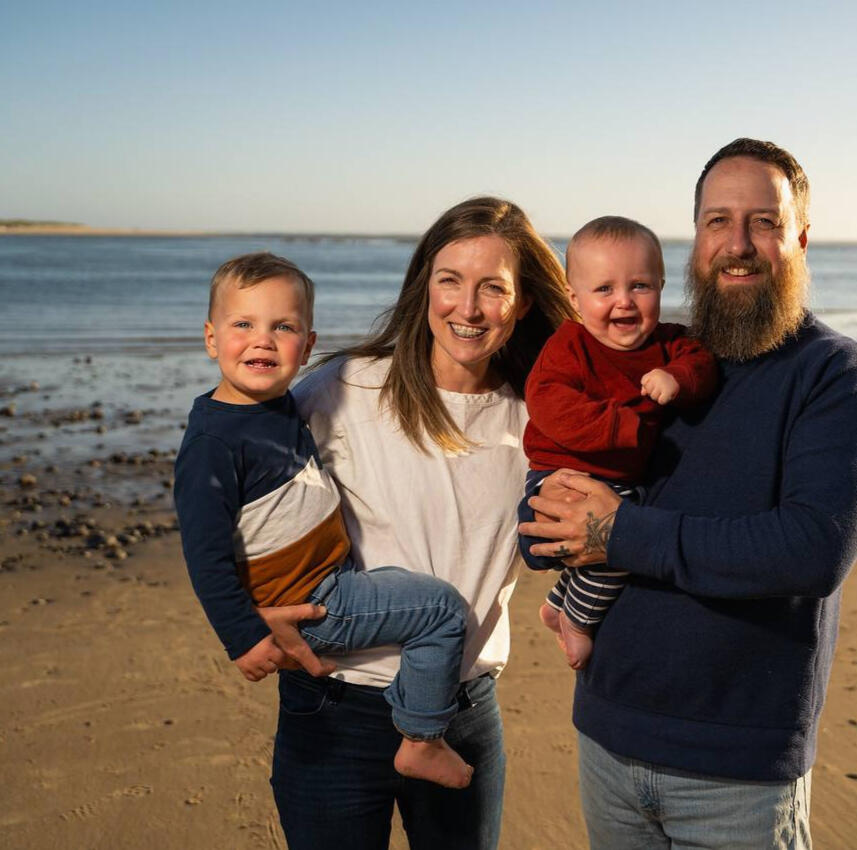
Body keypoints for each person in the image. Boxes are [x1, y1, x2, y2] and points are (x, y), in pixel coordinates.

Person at [519, 139, 857, 849]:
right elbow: (560, 482)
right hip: (606, 737)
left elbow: (811, 550)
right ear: (696, 240)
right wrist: (544, 521)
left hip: (736, 771)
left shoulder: (833, 374)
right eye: (718, 221)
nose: (739, 244)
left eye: (765, 222)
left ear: (800, 240)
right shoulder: (656, 358)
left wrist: (618, 534)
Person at [270, 197, 576, 850]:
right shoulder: (347, 388)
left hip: (462, 712)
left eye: (493, 288)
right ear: (424, 286)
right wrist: (251, 610)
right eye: (450, 281)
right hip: (336, 708)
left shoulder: (542, 420)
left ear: (523, 302)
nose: (468, 307)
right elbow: (241, 488)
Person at [174, 252, 476, 790]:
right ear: (211, 339)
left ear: (308, 345)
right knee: (442, 610)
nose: (263, 341)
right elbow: (205, 554)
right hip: (315, 601)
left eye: (283, 327)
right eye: (242, 325)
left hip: (332, 579)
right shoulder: (212, 444)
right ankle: (422, 738)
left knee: (409, 589)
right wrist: (243, 637)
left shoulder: (279, 406)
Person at [518, 215, 716, 670]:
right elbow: (548, 402)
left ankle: (559, 606)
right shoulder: (569, 346)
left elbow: (702, 364)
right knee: (615, 546)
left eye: (640, 286)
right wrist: (624, 429)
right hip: (563, 470)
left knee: (624, 533)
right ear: (574, 298)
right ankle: (578, 622)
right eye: (604, 289)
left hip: (619, 477)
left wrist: (676, 377)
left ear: (661, 286)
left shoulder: (670, 344)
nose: (623, 301)